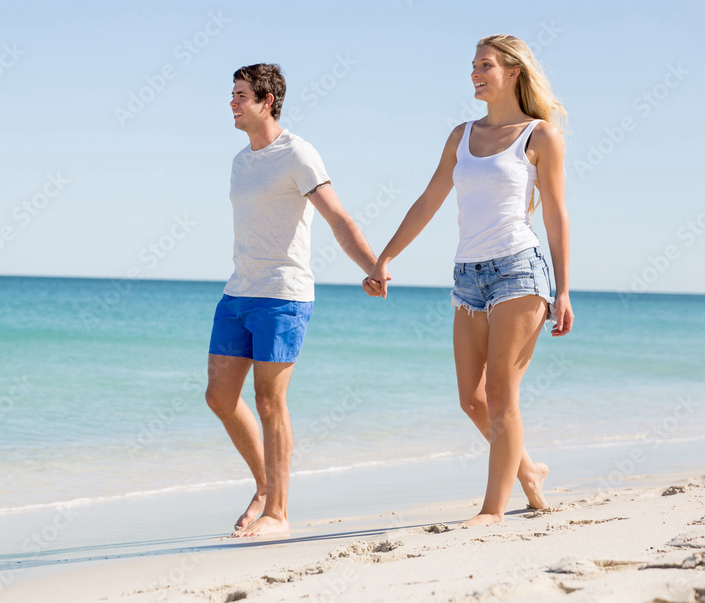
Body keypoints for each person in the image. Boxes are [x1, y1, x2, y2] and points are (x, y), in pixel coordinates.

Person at [364, 35, 574, 527]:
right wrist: (385, 256)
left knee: (502, 393)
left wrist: (562, 289)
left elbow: (558, 216)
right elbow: (428, 200)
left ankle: (492, 510)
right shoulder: (461, 136)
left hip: (519, 272)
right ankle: (528, 470)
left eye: (486, 65)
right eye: (473, 65)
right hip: (467, 277)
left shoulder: (539, 136)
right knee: (472, 399)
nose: (475, 73)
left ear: (513, 72)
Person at [206, 63, 381, 537]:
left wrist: (372, 266)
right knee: (219, 396)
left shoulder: (298, 154)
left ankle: (278, 513)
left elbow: (338, 218)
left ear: (267, 101)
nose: (233, 103)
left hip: (282, 295)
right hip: (238, 291)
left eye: (241, 95)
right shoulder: (240, 161)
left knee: (269, 401)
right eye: (233, 94)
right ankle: (265, 487)